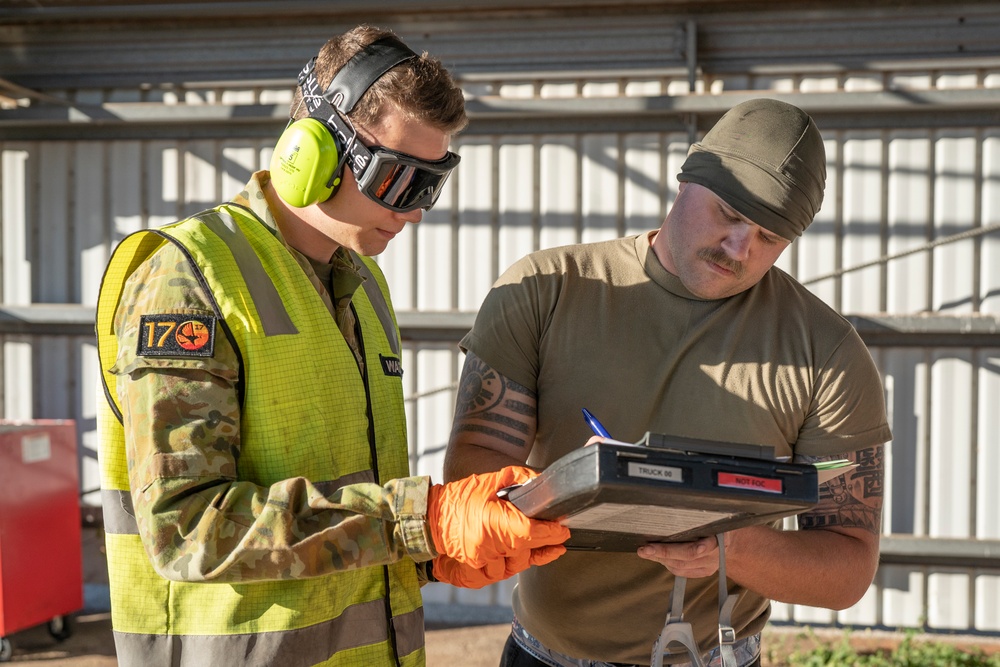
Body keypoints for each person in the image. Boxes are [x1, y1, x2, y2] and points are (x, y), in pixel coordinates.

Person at [94, 25, 569, 667]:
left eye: (432, 185)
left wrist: (429, 553)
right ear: (312, 150)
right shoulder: (190, 278)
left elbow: (350, 504)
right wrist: (417, 521)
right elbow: (187, 528)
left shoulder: (363, 286)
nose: (414, 212)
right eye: (399, 180)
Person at [444, 98, 891, 667]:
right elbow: (470, 481)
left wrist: (729, 548)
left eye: (769, 237)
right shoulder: (548, 289)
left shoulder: (827, 352)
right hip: (547, 655)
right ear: (685, 180)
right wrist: (577, 486)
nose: (740, 248)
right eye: (729, 213)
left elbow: (846, 571)